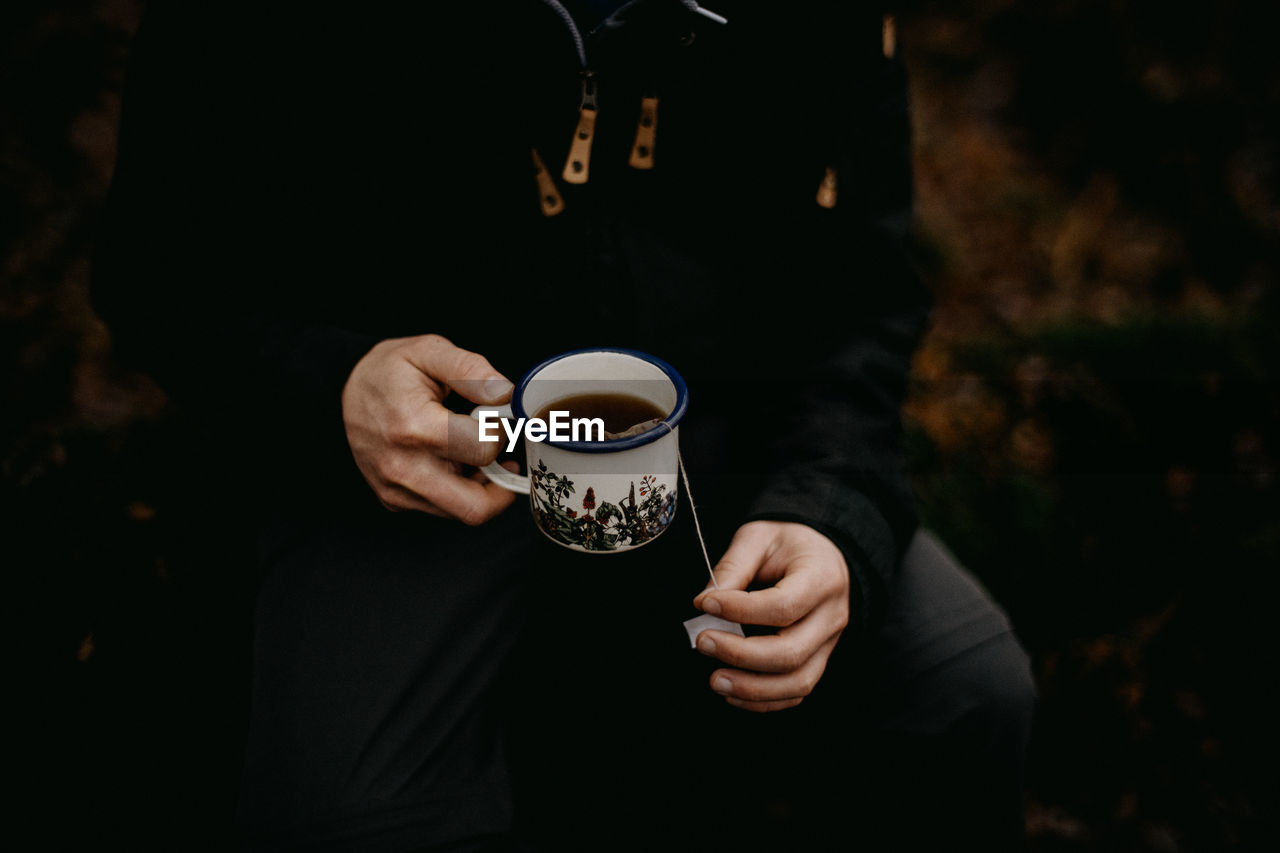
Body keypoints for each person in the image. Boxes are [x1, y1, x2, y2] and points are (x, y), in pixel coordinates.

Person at [92, 1, 1036, 850]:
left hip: (724, 429)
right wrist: (329, 383)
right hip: (420, 459)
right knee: (349, 815)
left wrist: (835, 514)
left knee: (967, 684)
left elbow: (860, 295)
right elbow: (154, 268)